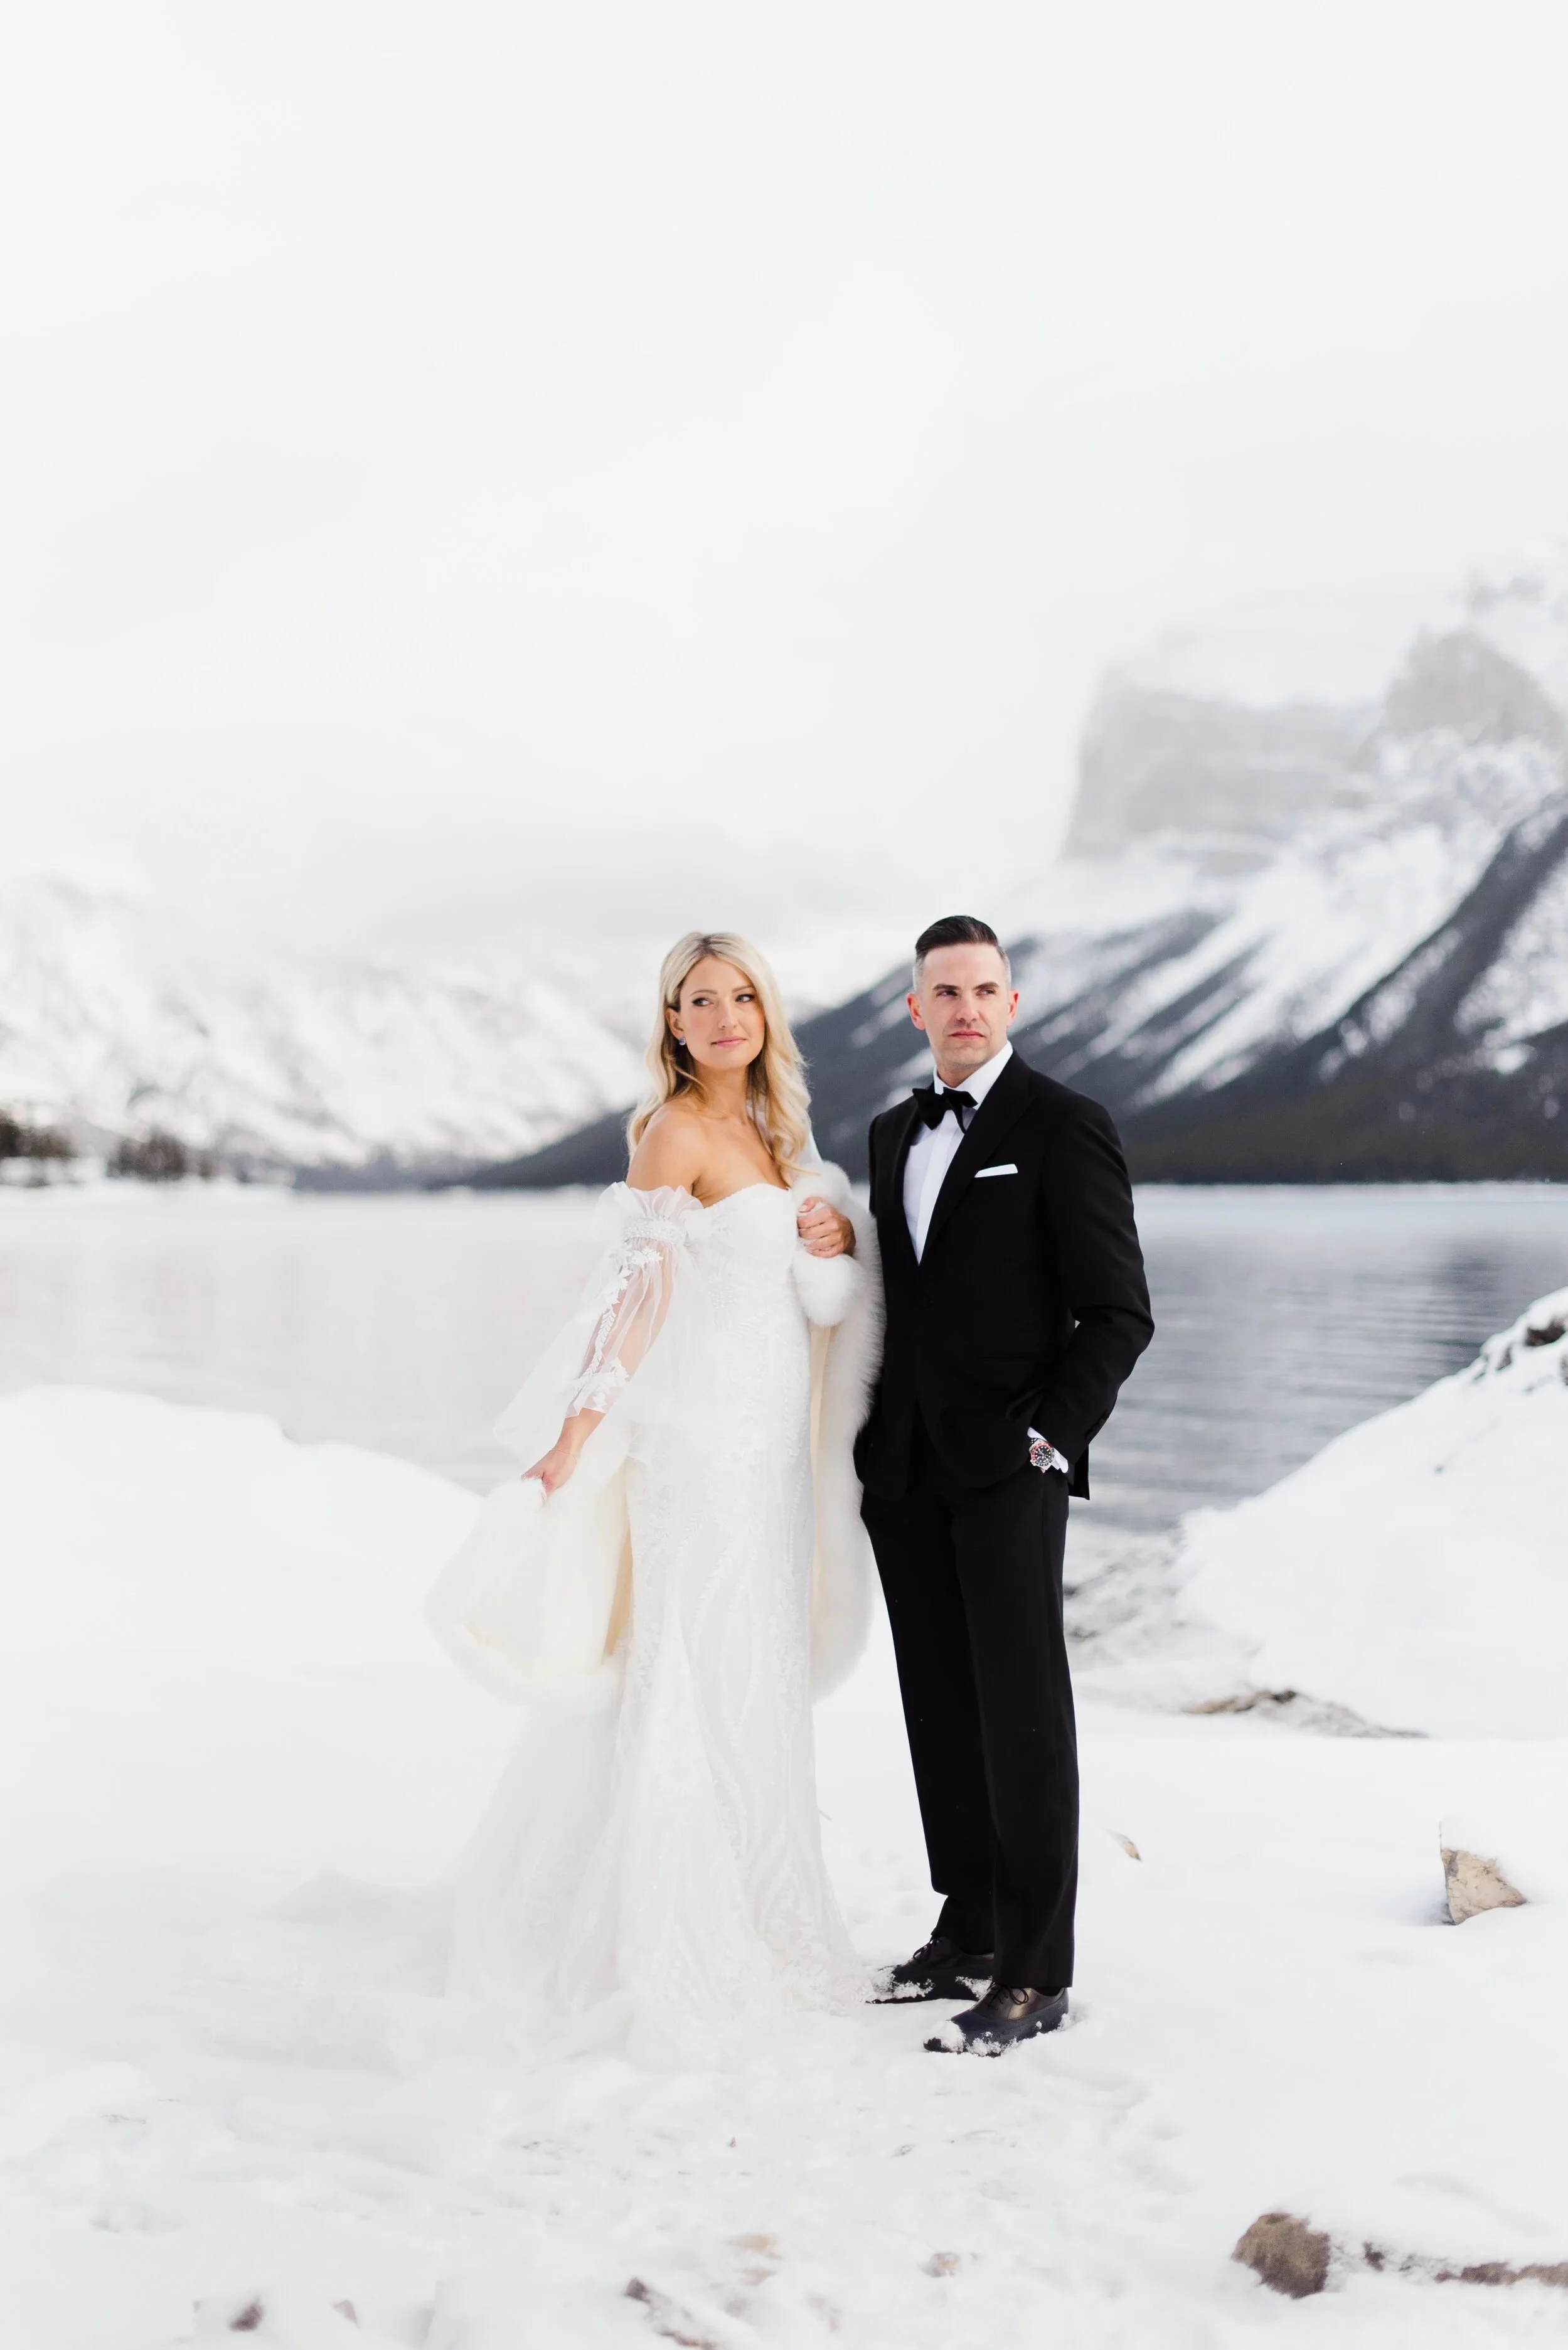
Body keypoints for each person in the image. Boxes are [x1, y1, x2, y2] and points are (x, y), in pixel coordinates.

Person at [428, 931, 882, 2068]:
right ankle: (655, 1930)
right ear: (670, 1024)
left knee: (757, 1669)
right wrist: (573, 1433)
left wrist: (826, 1226)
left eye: (741, 996)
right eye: (698, 1000)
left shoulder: (777, 1133)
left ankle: (763, 1908)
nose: (725, 1016)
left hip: (771, 1444)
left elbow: (805, 1276)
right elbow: (632, 1294)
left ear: (766, 1014)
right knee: (691, 1662)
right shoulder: (672, 1131)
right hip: (700, 1447)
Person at [856, 915, 1153, 2055]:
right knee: (940, 1705)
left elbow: (1118, 1312)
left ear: (1012, 1004)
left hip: (1009, 1469)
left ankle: (1035, 1972)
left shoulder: (1065, 1125)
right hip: (904, 1468)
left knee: (1023, 1718)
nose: (967, 1007)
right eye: (945, 991)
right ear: (915, 1008)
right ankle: (968, 1925)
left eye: (986, 988)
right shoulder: (891, 1134)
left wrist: (1051, 1439)